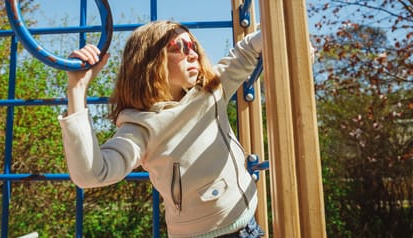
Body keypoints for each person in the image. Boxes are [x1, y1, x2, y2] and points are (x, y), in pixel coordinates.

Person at [59, 20, 265, 238]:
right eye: (180, 47)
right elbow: (91, 174)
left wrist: (280, 34)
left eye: (193, 46)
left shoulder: (209, 92)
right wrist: (77, 88)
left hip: (248, 219)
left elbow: (246, 51)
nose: (193, 54)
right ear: (150, 60)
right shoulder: (140, 127)